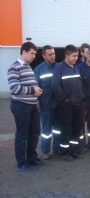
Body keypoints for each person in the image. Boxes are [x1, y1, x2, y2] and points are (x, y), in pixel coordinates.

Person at [8, 42, 47, 172]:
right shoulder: (14, 68)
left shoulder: (29, 67)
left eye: (35, 54)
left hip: (32, 106)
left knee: (34, 133)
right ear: (24, 52)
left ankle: (32, 158)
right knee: (22, 134)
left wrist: (37, 93)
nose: (34, 56)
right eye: (32, 53)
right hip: (21, 106)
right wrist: (32, 90)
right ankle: (21, 163)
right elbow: (15, 88)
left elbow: (32, 85)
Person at [52, 44, 85, 161]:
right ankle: (64, 152)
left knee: (76, 129)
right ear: (66, 55)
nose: (76, 58)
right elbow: (55, 86)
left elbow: (79, 84)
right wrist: (65, 99)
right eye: (74, 56)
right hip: (66, 106)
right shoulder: (59, 68)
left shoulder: (76, 67)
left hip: (78, 104)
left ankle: (73, 150)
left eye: (77, 56)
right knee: (66, 130)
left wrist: (81, 96)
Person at [34, 45, 60, 160]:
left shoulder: (59, 67)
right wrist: (37, 102)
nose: (52, 56)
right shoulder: (39, 70)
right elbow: (35, 87)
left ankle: (57, 148)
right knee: (46, 130)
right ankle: (45, 150)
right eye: (50, 54)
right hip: (46, 104)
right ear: (44, 56)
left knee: (58, 129)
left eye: (53, 54)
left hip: (59, 104)